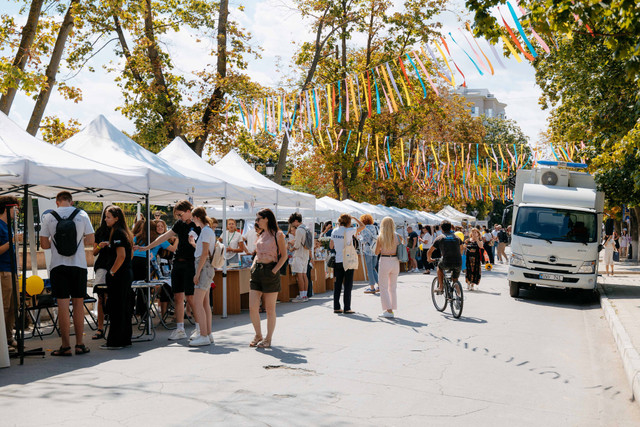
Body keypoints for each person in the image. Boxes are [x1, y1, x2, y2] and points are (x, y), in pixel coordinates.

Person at [40, 192, 95, 356]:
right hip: (78, 265)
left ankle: (65, 346)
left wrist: (58, 241)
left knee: (63, 306)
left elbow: (44, 245)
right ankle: (80, 344)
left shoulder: (49, 217)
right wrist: (76, 242)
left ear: (57, 202)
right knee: (78, 305)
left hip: (58, 266)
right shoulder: (82, 214)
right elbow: (91, 240)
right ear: (71, 201)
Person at [138, 200, 200, 340]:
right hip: (177, 263)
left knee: (190, 297)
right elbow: (164, 236)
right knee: (178, 296)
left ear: (188, 211)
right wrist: (147, 247)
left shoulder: (198, 224)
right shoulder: (179, 224)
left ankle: (200, 328)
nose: (179, 217)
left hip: (191, 263)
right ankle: (180, 329)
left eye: (180, 214)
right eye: (177, 215)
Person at [249, 208, 287, 348]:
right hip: (257, 271)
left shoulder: (278, 234)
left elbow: (284, 255)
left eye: (258, 218)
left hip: (270, 270)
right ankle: (258, 334)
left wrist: (274, 270)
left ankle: (268, 338)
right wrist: (253, 266)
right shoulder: (261, 234)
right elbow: (257, 253)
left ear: (266, 219)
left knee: (270, 308)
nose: (257, 221)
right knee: (253, 306)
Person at [101, 206, 134, 350]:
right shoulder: (124, 233)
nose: (105, 219)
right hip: (126, 273)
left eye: (108, 217)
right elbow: (129, 254)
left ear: (116, 218)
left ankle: (115, 341)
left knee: (116, 308)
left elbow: (122, 256)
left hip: (119, 275)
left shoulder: (118, 233)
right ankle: (125, 339)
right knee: (124, 307)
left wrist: (112, 272)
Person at [188, 208, 216, 346]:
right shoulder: (207, 230)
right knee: (204, 303)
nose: (192, 221)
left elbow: (204, 253)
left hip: (203, 267)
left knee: (198, 302)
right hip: (206, 266)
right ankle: (207, 333)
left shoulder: (205, 231)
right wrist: (193, 243)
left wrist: (197, 273)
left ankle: (204, 334)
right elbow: (203, 251)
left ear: (197, 217)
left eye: (193, 218)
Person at [330, 214, 365, 314]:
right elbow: (362, 226)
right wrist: (355, 219)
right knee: (348, 285)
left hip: (338, 260)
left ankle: (336, 307)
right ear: (348, 222)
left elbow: (331, 246)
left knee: (337, 285)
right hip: (347, 260)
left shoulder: (334, 231)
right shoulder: (349, 231)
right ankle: (347, 307)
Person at [91, 205, 113, 341]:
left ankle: (113, 328)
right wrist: (100, 246)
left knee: (112, 297)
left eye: (109, 216)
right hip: (102, 266)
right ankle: (100, 328)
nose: (106, 219)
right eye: (105, 216)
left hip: (116, 266)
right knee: (101, 298)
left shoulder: (121, 231)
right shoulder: (100, 231)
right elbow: (94, 252)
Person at [0, 196, 19, 349]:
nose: (16, 211)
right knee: (5, 306)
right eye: (14, 208)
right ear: (6, 208)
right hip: (3, 270)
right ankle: (3, 341)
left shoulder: (9, 226)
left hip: (12, 270)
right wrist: (12, 240)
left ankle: (8, 337)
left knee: (15, 305)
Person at [375, 217, 403, 318]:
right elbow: (401, 247)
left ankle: (389, 310)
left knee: (383, 287)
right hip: (395, 261)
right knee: (393, 287)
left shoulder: (381, 237)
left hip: (385, 260)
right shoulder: (398, 236)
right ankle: (392, 307)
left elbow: (376, 252)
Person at [427, 220, 464, 294]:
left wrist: (429, 259)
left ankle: (441, 287)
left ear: (441, 228)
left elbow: (429, 251)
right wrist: (459, 255)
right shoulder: (457, 237)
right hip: (458, 261)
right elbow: (462, 248)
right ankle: (459, 296)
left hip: (447, 261)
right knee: (455, 279)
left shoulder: (440, 238)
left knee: (439, 267)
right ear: (450, 228)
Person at [288, 213, 311, 302]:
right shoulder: (306, 228)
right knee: (304, 275)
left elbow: (297, 245)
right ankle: (305, 295)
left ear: (296, 221)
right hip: (305, 254)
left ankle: (302, 295)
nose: (292, 225)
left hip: (299, 254)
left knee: (299, 275)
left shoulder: (299, 230)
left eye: (293, 223)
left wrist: (291, 248)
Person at [359, 214, 379, 294]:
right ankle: (379, 285)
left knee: (370, 269)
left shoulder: (364, 228)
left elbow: (365, 240)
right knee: (373, 268)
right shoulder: (375, 227)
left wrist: (359, 240)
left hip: (368, 250)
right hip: (375, 249)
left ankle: (372, 287)